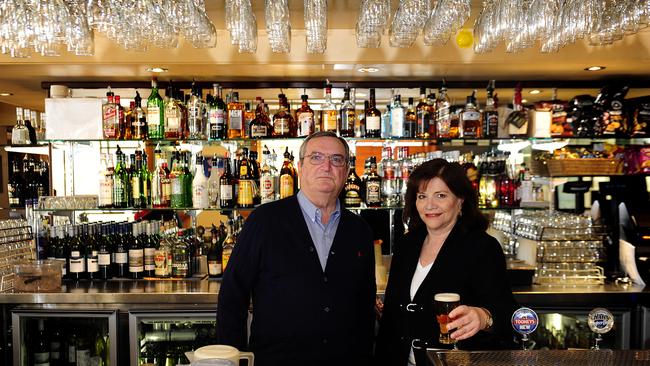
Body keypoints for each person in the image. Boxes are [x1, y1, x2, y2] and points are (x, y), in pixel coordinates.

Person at [217, 131, 376, 366]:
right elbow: (232, 296)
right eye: (316, 157)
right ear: (300, 167)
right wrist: (233, 359)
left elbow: (365, 306)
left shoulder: (359, 230)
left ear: (346, 171)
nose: (327, 166)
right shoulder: (264, 220)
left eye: (336, 159)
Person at [375, 158, 518, 366]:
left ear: (460, 200)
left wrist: (483, 316)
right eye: (422, 196)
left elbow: (507, 312)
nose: (429, 205)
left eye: (440, 195)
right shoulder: (407, 244)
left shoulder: (482, 247)